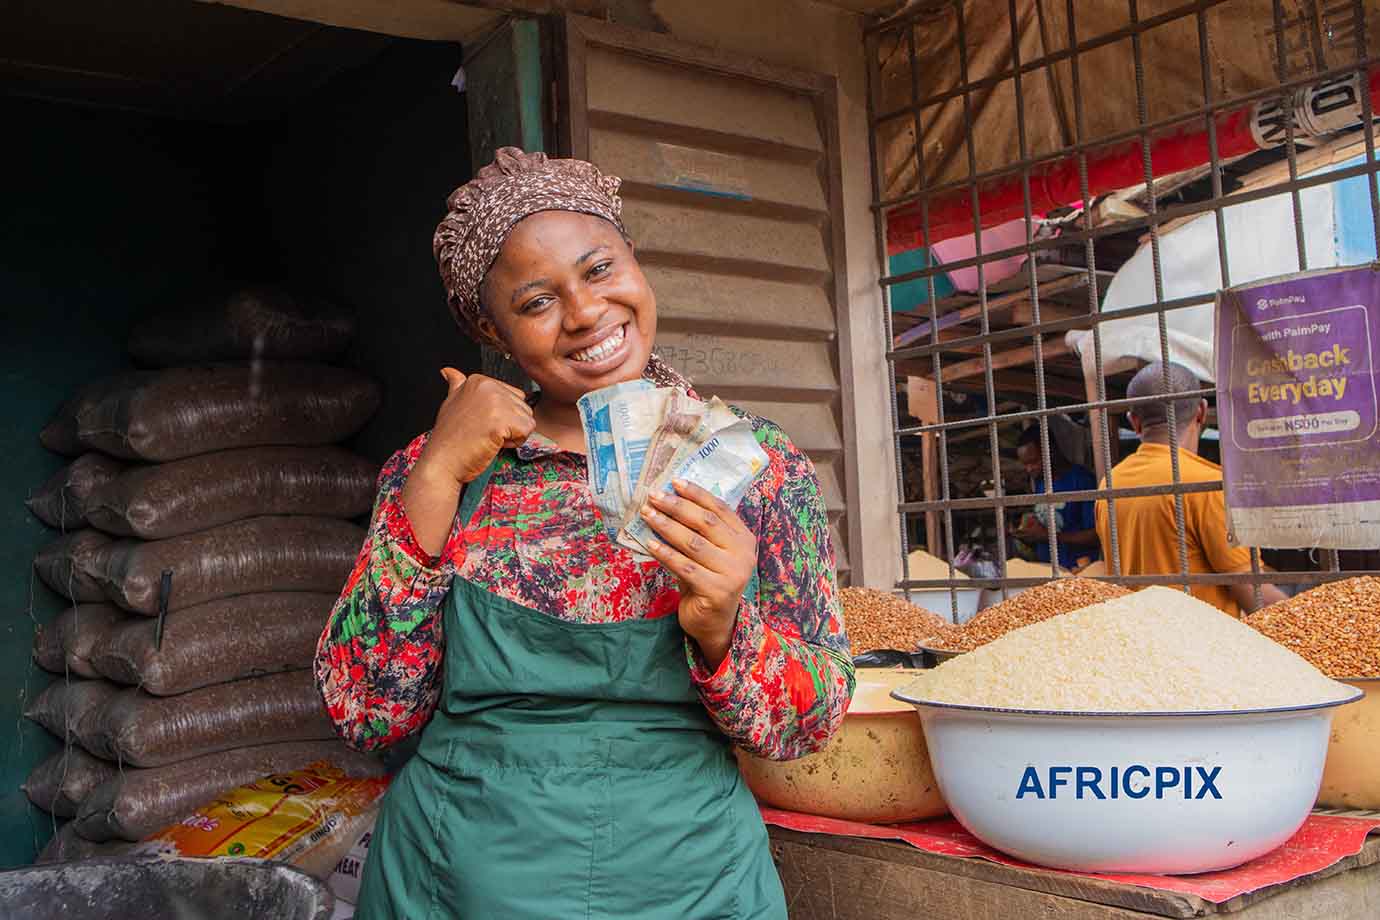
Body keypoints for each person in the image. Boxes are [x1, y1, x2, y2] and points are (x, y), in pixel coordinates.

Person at [313, 148, 852, 919]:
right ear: (493, 334)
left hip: (691, 886)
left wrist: (725, 629)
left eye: (599, 269)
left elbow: (813, 720)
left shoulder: (757, 466)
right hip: (456, 882)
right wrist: (434, 478)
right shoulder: (443, 471)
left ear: (635, 260)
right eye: (536, 302)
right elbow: (364, 710)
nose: (586, 312)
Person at [1095, 361, 1285, 616]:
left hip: (1139, 644)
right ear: (1202, 411)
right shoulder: (1206, 484)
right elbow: (1251, 590)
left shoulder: (1110, 484)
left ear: (1135, 422)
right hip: (1201, 649)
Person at [1012, 424, 1101, 570]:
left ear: (1051, 452)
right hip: (1047, 570)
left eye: (1033, 462)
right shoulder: (1041, 483)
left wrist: (1048, 536)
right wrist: (1028, 535)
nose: (1029, 469)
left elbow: (1096, 536)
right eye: (1025, 464)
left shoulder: (1081, 480)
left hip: (1077, 571)